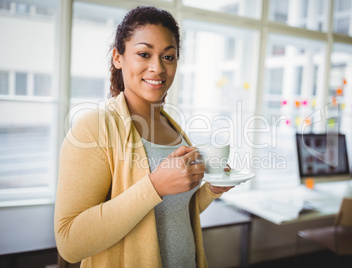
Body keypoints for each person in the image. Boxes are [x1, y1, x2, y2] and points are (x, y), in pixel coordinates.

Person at [54, 6, 233, 268]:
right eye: (144, 54)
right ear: (118, 57)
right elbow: (70, 243)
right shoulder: (93, 128)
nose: (157, 68)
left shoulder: (173, 128)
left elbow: (172, 215)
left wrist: (210, 191)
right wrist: (155, 186)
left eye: (168, 57)